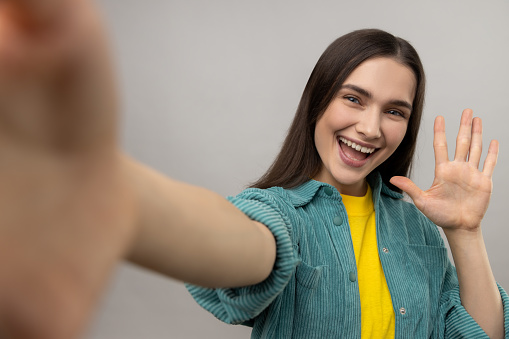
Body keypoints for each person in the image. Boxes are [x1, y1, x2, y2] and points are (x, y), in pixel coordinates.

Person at [0, 1, 506, 339]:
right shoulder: (279, 215)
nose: (371, 128)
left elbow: (480, 333)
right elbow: (242, 245)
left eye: (395, 111)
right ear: (319, 102)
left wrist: (465, 231)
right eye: (354, 98)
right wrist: (116, 198)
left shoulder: (416, 230)